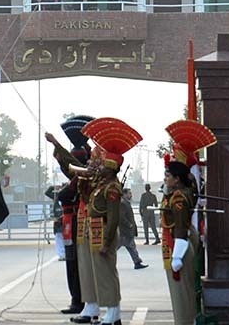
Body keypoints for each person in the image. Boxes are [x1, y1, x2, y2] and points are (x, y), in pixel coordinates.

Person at [80, 117, 142, 325]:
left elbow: (114, 217)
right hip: (96, 229)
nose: (99, 168)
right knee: (100, 273)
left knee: (107, 273)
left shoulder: (112, 188)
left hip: (105, 230)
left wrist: (107, 242)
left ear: (110, 167)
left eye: (103, 165)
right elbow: (87, 200)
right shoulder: (102, 185)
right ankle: (110, 312)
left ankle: (114, 312)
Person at [161, 119, 217, 325]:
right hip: (179, 245)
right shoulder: (181, 192)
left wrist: (177, 255)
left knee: (182, 296)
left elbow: (181, 227)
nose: (165, 178)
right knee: (181, 296)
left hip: (180, 248)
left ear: (177, 179)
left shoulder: (178, 199)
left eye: (168, 175)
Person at [45, 115, 94, 318]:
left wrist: (56, 143)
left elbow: (70, 167)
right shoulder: (78, 178)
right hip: (70, 222)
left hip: (76, 222)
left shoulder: (83, 178)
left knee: (76, 264)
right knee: (73, 263)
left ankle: (80, 300)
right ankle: (78, 300)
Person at [118, 188, 148, 269]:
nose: (131, 195)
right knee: (117, 247)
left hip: (127, 231)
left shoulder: (126, 203)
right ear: (124, 194)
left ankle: (137, 262)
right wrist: (129, 225)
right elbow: (122, 217)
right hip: (124, 231)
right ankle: (106, 258)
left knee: (131, 246)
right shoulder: (123, 203)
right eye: (129, 193)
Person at [45, 185, 66, 260]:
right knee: (59, 238)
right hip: (58, 222)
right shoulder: (55, 197)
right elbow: (47, 192)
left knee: (66, 238)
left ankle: (66, 254)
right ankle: (61, 255)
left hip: (66, 220)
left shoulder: (67, 197)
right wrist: (54, 187)